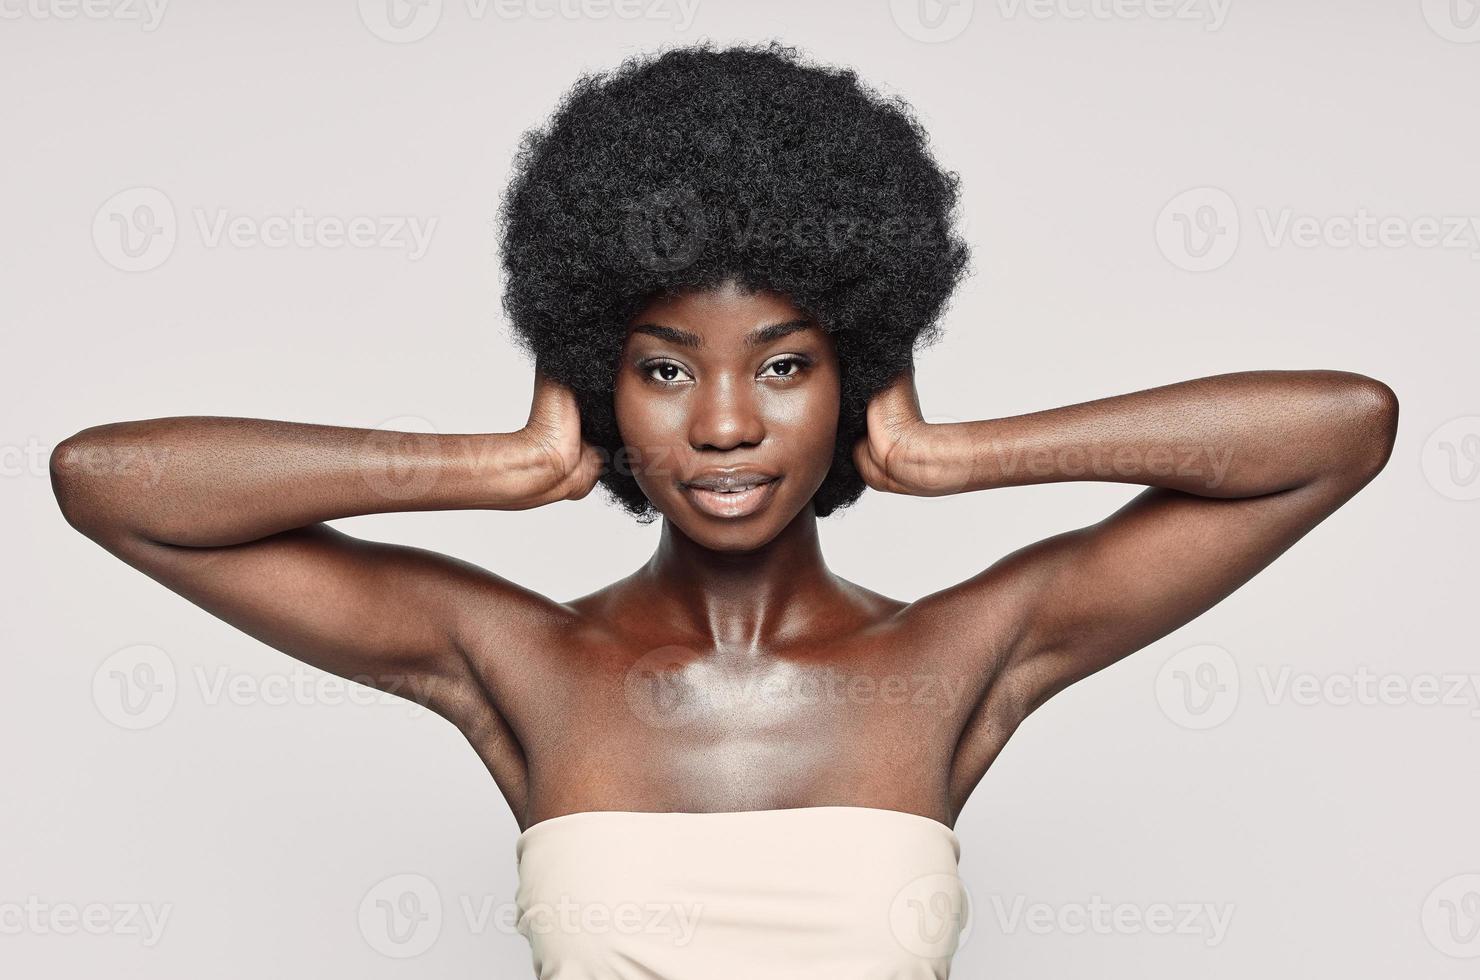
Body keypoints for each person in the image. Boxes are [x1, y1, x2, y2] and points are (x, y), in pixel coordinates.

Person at [49, 41, 1398, 980]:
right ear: (600, 378)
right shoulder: (520, 660)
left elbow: (1339, 430)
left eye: (788, 363)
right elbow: (109, 484)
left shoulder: (950, 660)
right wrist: (498, 465)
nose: (727, 421)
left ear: (855, 367)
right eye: (663, 366)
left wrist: (952, 454)